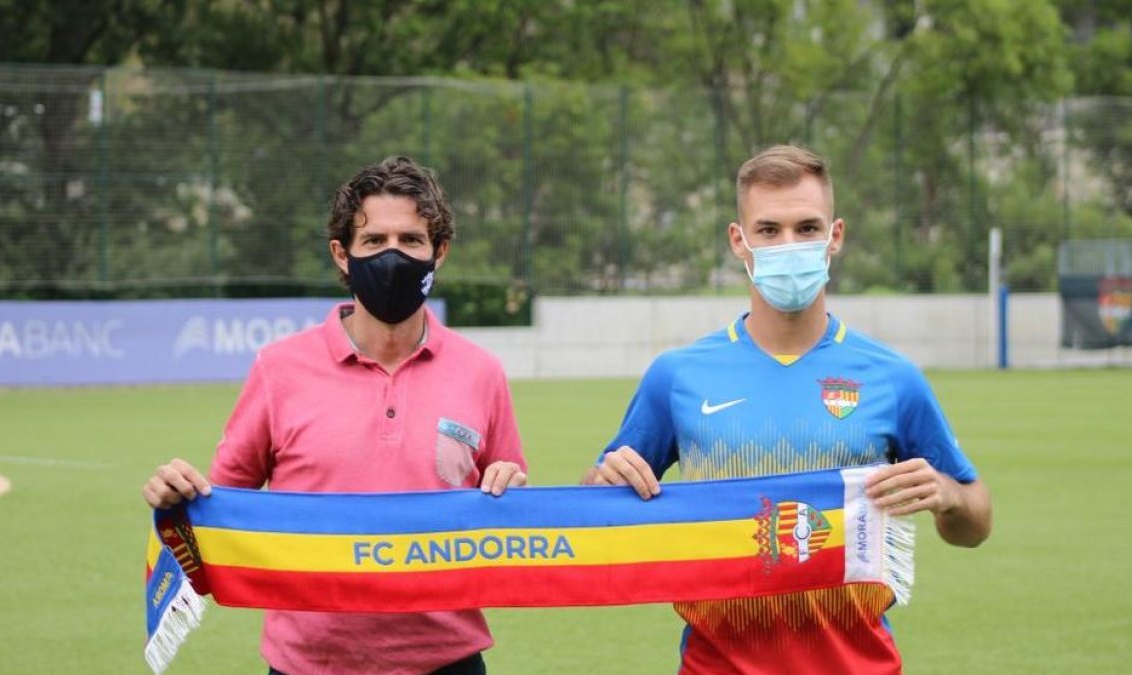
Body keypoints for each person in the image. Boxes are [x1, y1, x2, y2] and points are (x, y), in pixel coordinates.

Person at [581, 144, 992, 674]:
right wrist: (604, 480)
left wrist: (948, 496)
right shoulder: (678, 376)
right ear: (739, 240)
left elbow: (975, 521)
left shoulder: (891, 377)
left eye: (807, 228)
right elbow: (598, 515)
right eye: (769, 230)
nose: (789, 245)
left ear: (835, 237)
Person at [143, 156, 528, 675]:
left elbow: (512, 524)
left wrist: (511, 493)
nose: (393, 256)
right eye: (374, 242)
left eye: (411, 241)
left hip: (447, 660)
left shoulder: (482, 372)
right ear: (342, 255)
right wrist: (178, 496)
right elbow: (223, 505)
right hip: (309, 663)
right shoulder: (280, 369)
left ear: (440, 253)